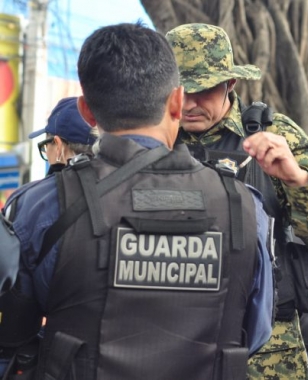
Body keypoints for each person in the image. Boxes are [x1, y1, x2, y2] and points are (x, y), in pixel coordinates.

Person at [0, 21, 273, 380]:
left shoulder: (40, 206)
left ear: (87, 111)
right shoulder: (244, 207)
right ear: (177, 101)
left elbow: (13, 335)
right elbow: (255, 333)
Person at [165, 23, 308, 379]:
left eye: (203, 90)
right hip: (175, 336)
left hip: (266, 348)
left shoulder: (274, 135)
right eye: (180, 91)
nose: (189, 103)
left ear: (230, 84)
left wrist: (297, 180)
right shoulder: (155, 138)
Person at [29, 96, 98, 175]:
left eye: (45, 146)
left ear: (58, 146)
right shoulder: (110, 180)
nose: (46, 154)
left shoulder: (49, 186)